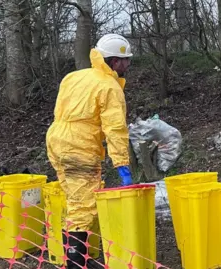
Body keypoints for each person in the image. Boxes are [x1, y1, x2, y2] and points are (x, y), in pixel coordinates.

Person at [46, 33, 134, 268]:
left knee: (75, 200)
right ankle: (76, 263)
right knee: (82, 206)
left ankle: (78, 258)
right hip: (79, 147)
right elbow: (115, 129)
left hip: (56, 139)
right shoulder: (110, 87)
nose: (127, 65)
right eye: (126, 60)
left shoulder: (74, 77)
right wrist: (122, 164)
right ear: (114, 62)